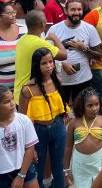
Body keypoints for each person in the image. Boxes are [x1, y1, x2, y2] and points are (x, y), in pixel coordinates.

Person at [19, 48, 69, 188]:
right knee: (38, 170)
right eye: (44, 63)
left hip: (58, 127)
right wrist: (29, 146)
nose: (49, 66)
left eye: (51, 62)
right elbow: (22, 120)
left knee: (59, 168)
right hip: (37, 131)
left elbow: (62, 102)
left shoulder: (57, 80)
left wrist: (64, 114)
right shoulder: (27, 89)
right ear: (37, 65)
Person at [0, 86, 39, 188]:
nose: (12, 104)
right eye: (7, 102)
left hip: (25, 168)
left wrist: (21, 175)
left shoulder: (23, 120)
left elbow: (30, 148)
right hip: (3, 175)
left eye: (12, 99)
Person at [64, 88, 102, 188]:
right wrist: (66, 170)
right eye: (90, 105)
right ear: (82, 106)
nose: (94, 108)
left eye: (97, 104)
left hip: (100, 162)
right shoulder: (74, 123)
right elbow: (68, 147)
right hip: (80, 165)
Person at [50, 0, 101, 104]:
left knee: (81, 113)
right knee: (61, 112)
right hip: (60, 81)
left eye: (79, 9)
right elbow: (46, 56)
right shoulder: (54, 30)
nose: (76, 13)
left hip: (83, 80)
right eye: (73, 10)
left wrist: (84, 48)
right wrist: (61, 64)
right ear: (65, 11)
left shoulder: (89, 29)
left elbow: (99, 56)